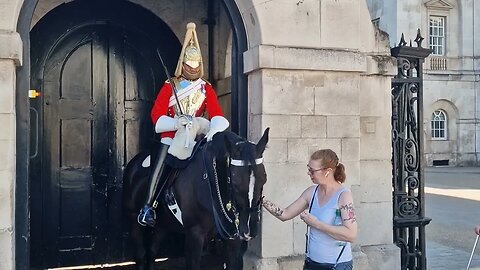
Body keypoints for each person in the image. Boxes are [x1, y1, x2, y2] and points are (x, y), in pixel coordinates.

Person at [137, 22, 229, 227]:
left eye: (196, 66)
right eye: (190, 66)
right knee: (161, 160)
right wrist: (176, 122)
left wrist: (212, 131)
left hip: (196, 133)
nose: (193, 70)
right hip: (171, 133)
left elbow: (217, 114)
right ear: (184, 64)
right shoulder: (170, 86)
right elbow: (156, 116)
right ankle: (148, 206)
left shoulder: (206, 88)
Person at [262, 149, 357, 270]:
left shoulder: (343, 196)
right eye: (308, 169)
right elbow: (285, 214)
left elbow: (351, 234)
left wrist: (316, 224)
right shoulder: (312, 192)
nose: (309, 173)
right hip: (312, 264)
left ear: (327, 171)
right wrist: (262, 200)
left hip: (337, 265)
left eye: (312, 171)